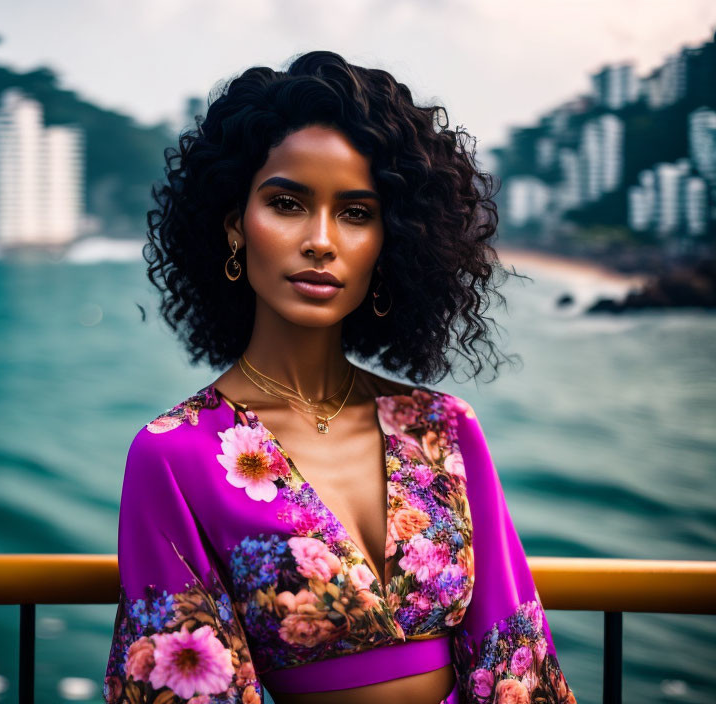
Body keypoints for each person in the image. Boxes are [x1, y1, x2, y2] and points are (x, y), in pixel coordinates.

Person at [103, 51, 576, 704]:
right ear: (236, 226)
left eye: (356, 212)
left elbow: (515, 658)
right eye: (288, 203)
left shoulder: (443, 429)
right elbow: (186, 685)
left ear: (390, 240)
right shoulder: (175, 453)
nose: (321, 240)